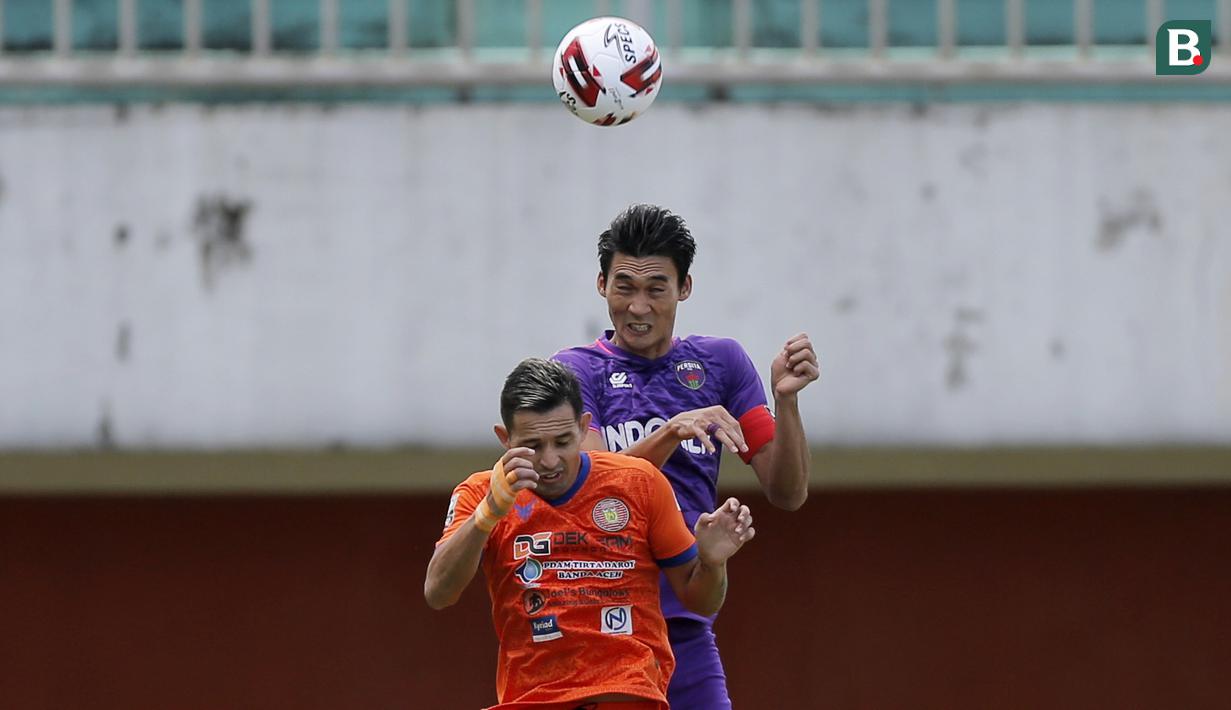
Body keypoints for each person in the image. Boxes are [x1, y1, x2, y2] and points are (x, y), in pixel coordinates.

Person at [552, 203, 820, 708]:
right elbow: (588, 489)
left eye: (656, 289)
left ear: (684, 288)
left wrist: (786, 400)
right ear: (601, 285)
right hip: (600, 622)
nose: (638, 307)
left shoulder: (722, 364)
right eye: (624, 287)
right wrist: (673, 431)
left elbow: (787, 493)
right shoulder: (573, 372)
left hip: (686, 626)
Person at [424, 358, 755, 710]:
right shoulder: (481, 493)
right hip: (532, 699)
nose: (550, 461)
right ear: (505, 439)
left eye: (563, 441)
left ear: (584, 428)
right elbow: (438, 592)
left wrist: (712, 562)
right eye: (533, 446)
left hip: (628, 697)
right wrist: (488, 513)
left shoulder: (639, 481)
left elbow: (700, 600)